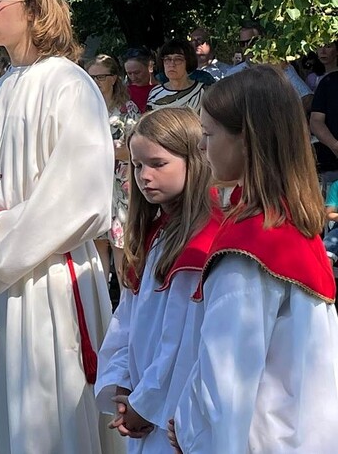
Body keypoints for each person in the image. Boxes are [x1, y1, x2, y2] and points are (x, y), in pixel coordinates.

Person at [0, 0, 120, 454]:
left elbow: (79, 200)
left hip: (50, 279)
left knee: (47, 420)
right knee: (1, 411)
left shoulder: (70, 86)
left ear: (35, 6)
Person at [171, 66, 338, 453]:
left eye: (208, 135)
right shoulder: (294, 224)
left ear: (245, 140)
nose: (202, 148)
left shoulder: (249, 248)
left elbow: (226, 380)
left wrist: (191, 429)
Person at [95, 108, 222, 453]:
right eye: (137, 165)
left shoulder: (202, 242)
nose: (144, 176)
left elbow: (181, 343)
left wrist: (145, 403)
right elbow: (126, 322)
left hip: (172, 409)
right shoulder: (155, 232)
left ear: (195, 160)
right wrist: (122, 384)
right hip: (143, 398)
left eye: (158, 164)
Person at [85, 54, 140, 280]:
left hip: (120, 188)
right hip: (92, 186)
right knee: (96, 246)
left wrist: (101, 150)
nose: (95, 82)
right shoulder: (83, 108)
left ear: (114, 78)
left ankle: (125, 295)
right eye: (91, 77)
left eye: (100, 77)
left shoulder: (127, 109)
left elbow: (135, 148)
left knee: (120, 246)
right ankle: (102, 298)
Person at [224, 18, 313, 110]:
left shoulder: (281, 68)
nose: (247, 47)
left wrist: (282, 114)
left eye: (252, 42)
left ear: (263, 41)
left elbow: (307, 98)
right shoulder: (233, 74)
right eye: (242, 44)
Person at [147, 39, 205, 112]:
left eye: (178, 59)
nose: (172, 64)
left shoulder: (202, 91)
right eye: (167, 59)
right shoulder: (155, 93)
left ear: (188, 62)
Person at [309, 40, 338, 171]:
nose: (323, 51)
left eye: (328, 46)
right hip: (331, 164)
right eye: (319, 47)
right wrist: (335, 146)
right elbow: (316, 121)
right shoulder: (327, 82)